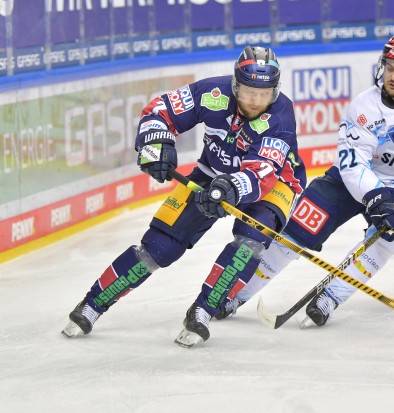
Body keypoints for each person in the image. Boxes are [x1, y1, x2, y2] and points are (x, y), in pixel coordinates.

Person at [219, 33, 394, 327]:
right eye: (389, 67)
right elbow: (354, 165)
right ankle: (235, 295)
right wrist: (375, 194)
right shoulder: (364, 108)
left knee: (390, 234)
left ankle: (330, 297)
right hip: (351, 182)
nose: (393, 76)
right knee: (297, 229)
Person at [61, 46, 306, 347]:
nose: (256, 100)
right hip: (211, 173)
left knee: (249, 244)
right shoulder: (211, 93)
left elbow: (263, 171)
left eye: (264, 92)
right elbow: (160, 110)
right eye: (248, 91)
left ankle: (203, 310)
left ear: (275, 91)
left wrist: (229, 189)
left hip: (274, 185)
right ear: (234, 84)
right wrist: (155, 143)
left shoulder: (281, 114)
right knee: (158, 247)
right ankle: (91, 305)